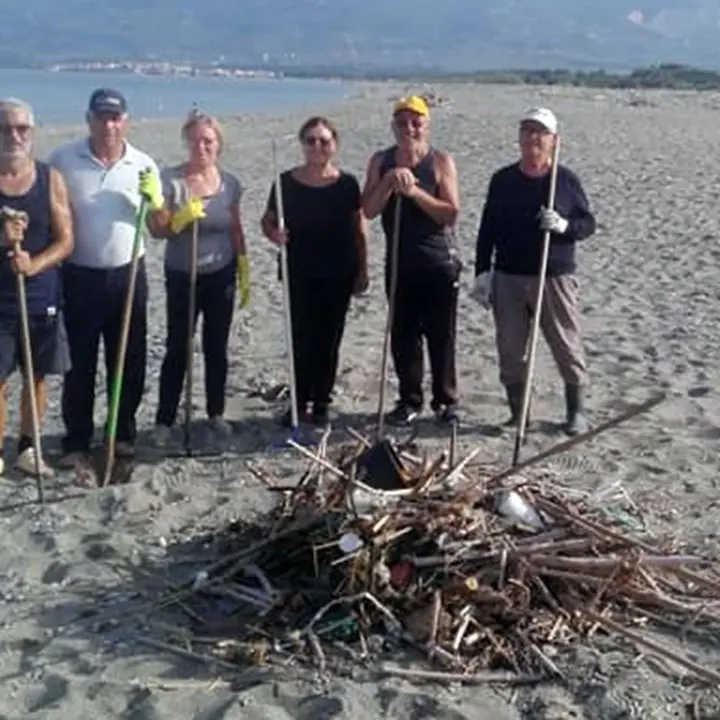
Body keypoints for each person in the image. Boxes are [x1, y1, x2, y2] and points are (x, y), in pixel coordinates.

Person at [49, 88, 164, 466]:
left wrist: (155, 202)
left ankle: (122, 434)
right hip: (79, 276)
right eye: (101, 117)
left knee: (127, 360)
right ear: (89, 119)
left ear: (125, 121)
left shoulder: (143, 165)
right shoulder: (63, 160)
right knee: (79, 362)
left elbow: (160, 228)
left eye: (115, 117)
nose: (109, 125)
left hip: (129, 275)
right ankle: (77, 440)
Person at [472, 107, 596, 436]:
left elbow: (588, 224)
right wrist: (483, 272)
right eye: (527, 130)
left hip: (554, 275)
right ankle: (518, 415)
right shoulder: (503, 180)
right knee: (511, 348)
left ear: (554, 140)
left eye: (540, 132)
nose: (532, 138)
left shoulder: (565, 180)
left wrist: (563, 225)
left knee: (566, 344)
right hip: (509, 276)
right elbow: (488, 228)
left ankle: (575, 413)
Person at [147, 111, 250, 445]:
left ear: (218, 144)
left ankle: (215, 412)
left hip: (221, 275)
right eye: (195, 140)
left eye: (208, 141)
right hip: (182, 275)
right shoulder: (170, 180)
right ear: (186, 142)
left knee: (216, 346)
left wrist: (244, 266)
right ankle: (165, 419)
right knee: (179, 346)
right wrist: (178, 219)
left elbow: (235, 229)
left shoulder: (230, 184)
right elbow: (157, 229)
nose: (201, 147)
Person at [260, 116, 368, 426]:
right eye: (311, 140)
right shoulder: (284, 183)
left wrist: (362, 268)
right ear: (302, 144)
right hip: (298, 271)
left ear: (334, 145)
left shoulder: (347, 184)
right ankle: (299, 400)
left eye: (324, 141)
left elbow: (359, 229)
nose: (317, 146)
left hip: (338, 271)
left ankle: (321, 401)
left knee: (329, 339)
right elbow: (267, 221)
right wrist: (274, 235)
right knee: (300, 338)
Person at [361, 95, 461, 426]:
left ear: (426, 126)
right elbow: (369, 210)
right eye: (402, 122)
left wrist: (416, 193)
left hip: (438, 262)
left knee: (441, 335)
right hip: (399, 263)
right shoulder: (380, 160)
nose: (409, 128)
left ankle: (446, 401)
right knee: (404, 335)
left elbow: (450, 214)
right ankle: (409, 399)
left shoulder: (440, 161)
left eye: (416, 122)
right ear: (393, 127)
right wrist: (389, 182)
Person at [0, 98, 73, 477]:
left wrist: (34, 264)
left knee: (37, 375)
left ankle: (28, 447)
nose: (14, 136)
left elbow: (66, 241)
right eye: (6, 128)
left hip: (41, 295)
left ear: (32, 132)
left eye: (22, 128)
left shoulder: (50, 179)